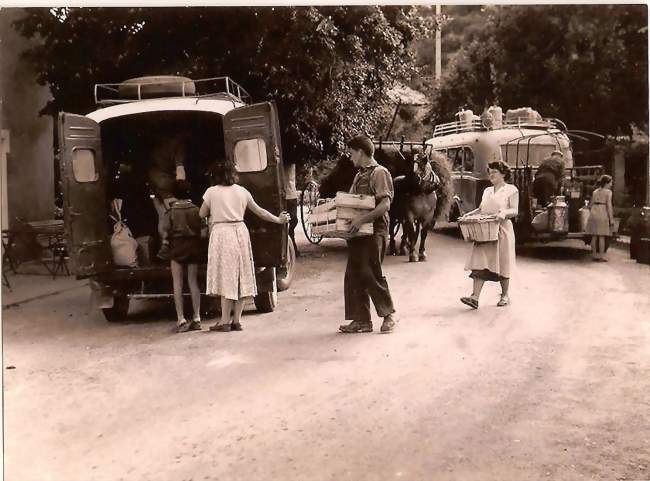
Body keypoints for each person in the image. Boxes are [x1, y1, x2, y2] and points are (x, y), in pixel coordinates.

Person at [199, 161, 290, 332]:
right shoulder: (242, 191)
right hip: (240, 231)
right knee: (241, 275)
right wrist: (278, 220)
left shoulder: (211, 192)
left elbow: (201, 213)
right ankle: (237, 320)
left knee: (226, 277)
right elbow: (260, 211)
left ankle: (225, 321)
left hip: (222, 232)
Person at [339, 135, 397, 334]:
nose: (350, 157)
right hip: (359, 232)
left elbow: (385, 205)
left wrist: (361, 220)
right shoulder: (359, 175)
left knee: (370, 272)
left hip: (375, 230)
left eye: (352, 152)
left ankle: (389, 316)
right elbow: (350, 202)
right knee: (353, 275)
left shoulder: (379, 173)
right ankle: (362, 320)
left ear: (361, 152)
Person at [460, 160, 519, 309]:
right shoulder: (487, 191)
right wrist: (467, 215)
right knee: (480, 261)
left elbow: (515, 210)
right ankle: (475, 297)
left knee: (502, 261)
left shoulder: (511, 190)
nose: (491, 175)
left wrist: (504, 213)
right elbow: (480, 209)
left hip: (502, 230)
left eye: (495, 172)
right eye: (490, 172)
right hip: (484, 230)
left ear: (503, 174)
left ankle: (505, 295)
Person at [166, 180, 203, 332]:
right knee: (193, 282)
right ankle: (197, 317)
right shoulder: (196, 210)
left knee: (177, 283)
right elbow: (203, 231)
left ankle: (181, 319)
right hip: (193, 247)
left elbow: (164, 230)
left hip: (176, 248)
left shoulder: (171, 212)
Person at [148, 131, 189, 260]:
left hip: (155, 184)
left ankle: (165, 246)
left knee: (162, 216)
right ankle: (174, 249)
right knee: (175, 217)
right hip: (167, 185)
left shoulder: (156, 144)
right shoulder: (178, 145)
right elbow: (180, 169)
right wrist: (182, 187)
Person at [585, 174, 615, 262]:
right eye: (610, 182)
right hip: (603, 213)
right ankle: (601, 256)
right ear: (606, 183)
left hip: (594, 212)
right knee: (602, 236)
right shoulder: (608, 192)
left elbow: (590, 205)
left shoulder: (595, 191)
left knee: (594, 236)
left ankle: (594, 255)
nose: (611, 184)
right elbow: (609, 205)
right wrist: (611, 219)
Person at [284, 162, 300, 256]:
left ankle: (291, 246)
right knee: (287, 221)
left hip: (291, 194)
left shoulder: (292, 163)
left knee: (294, 220)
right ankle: (291, 248)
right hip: (285, 194)